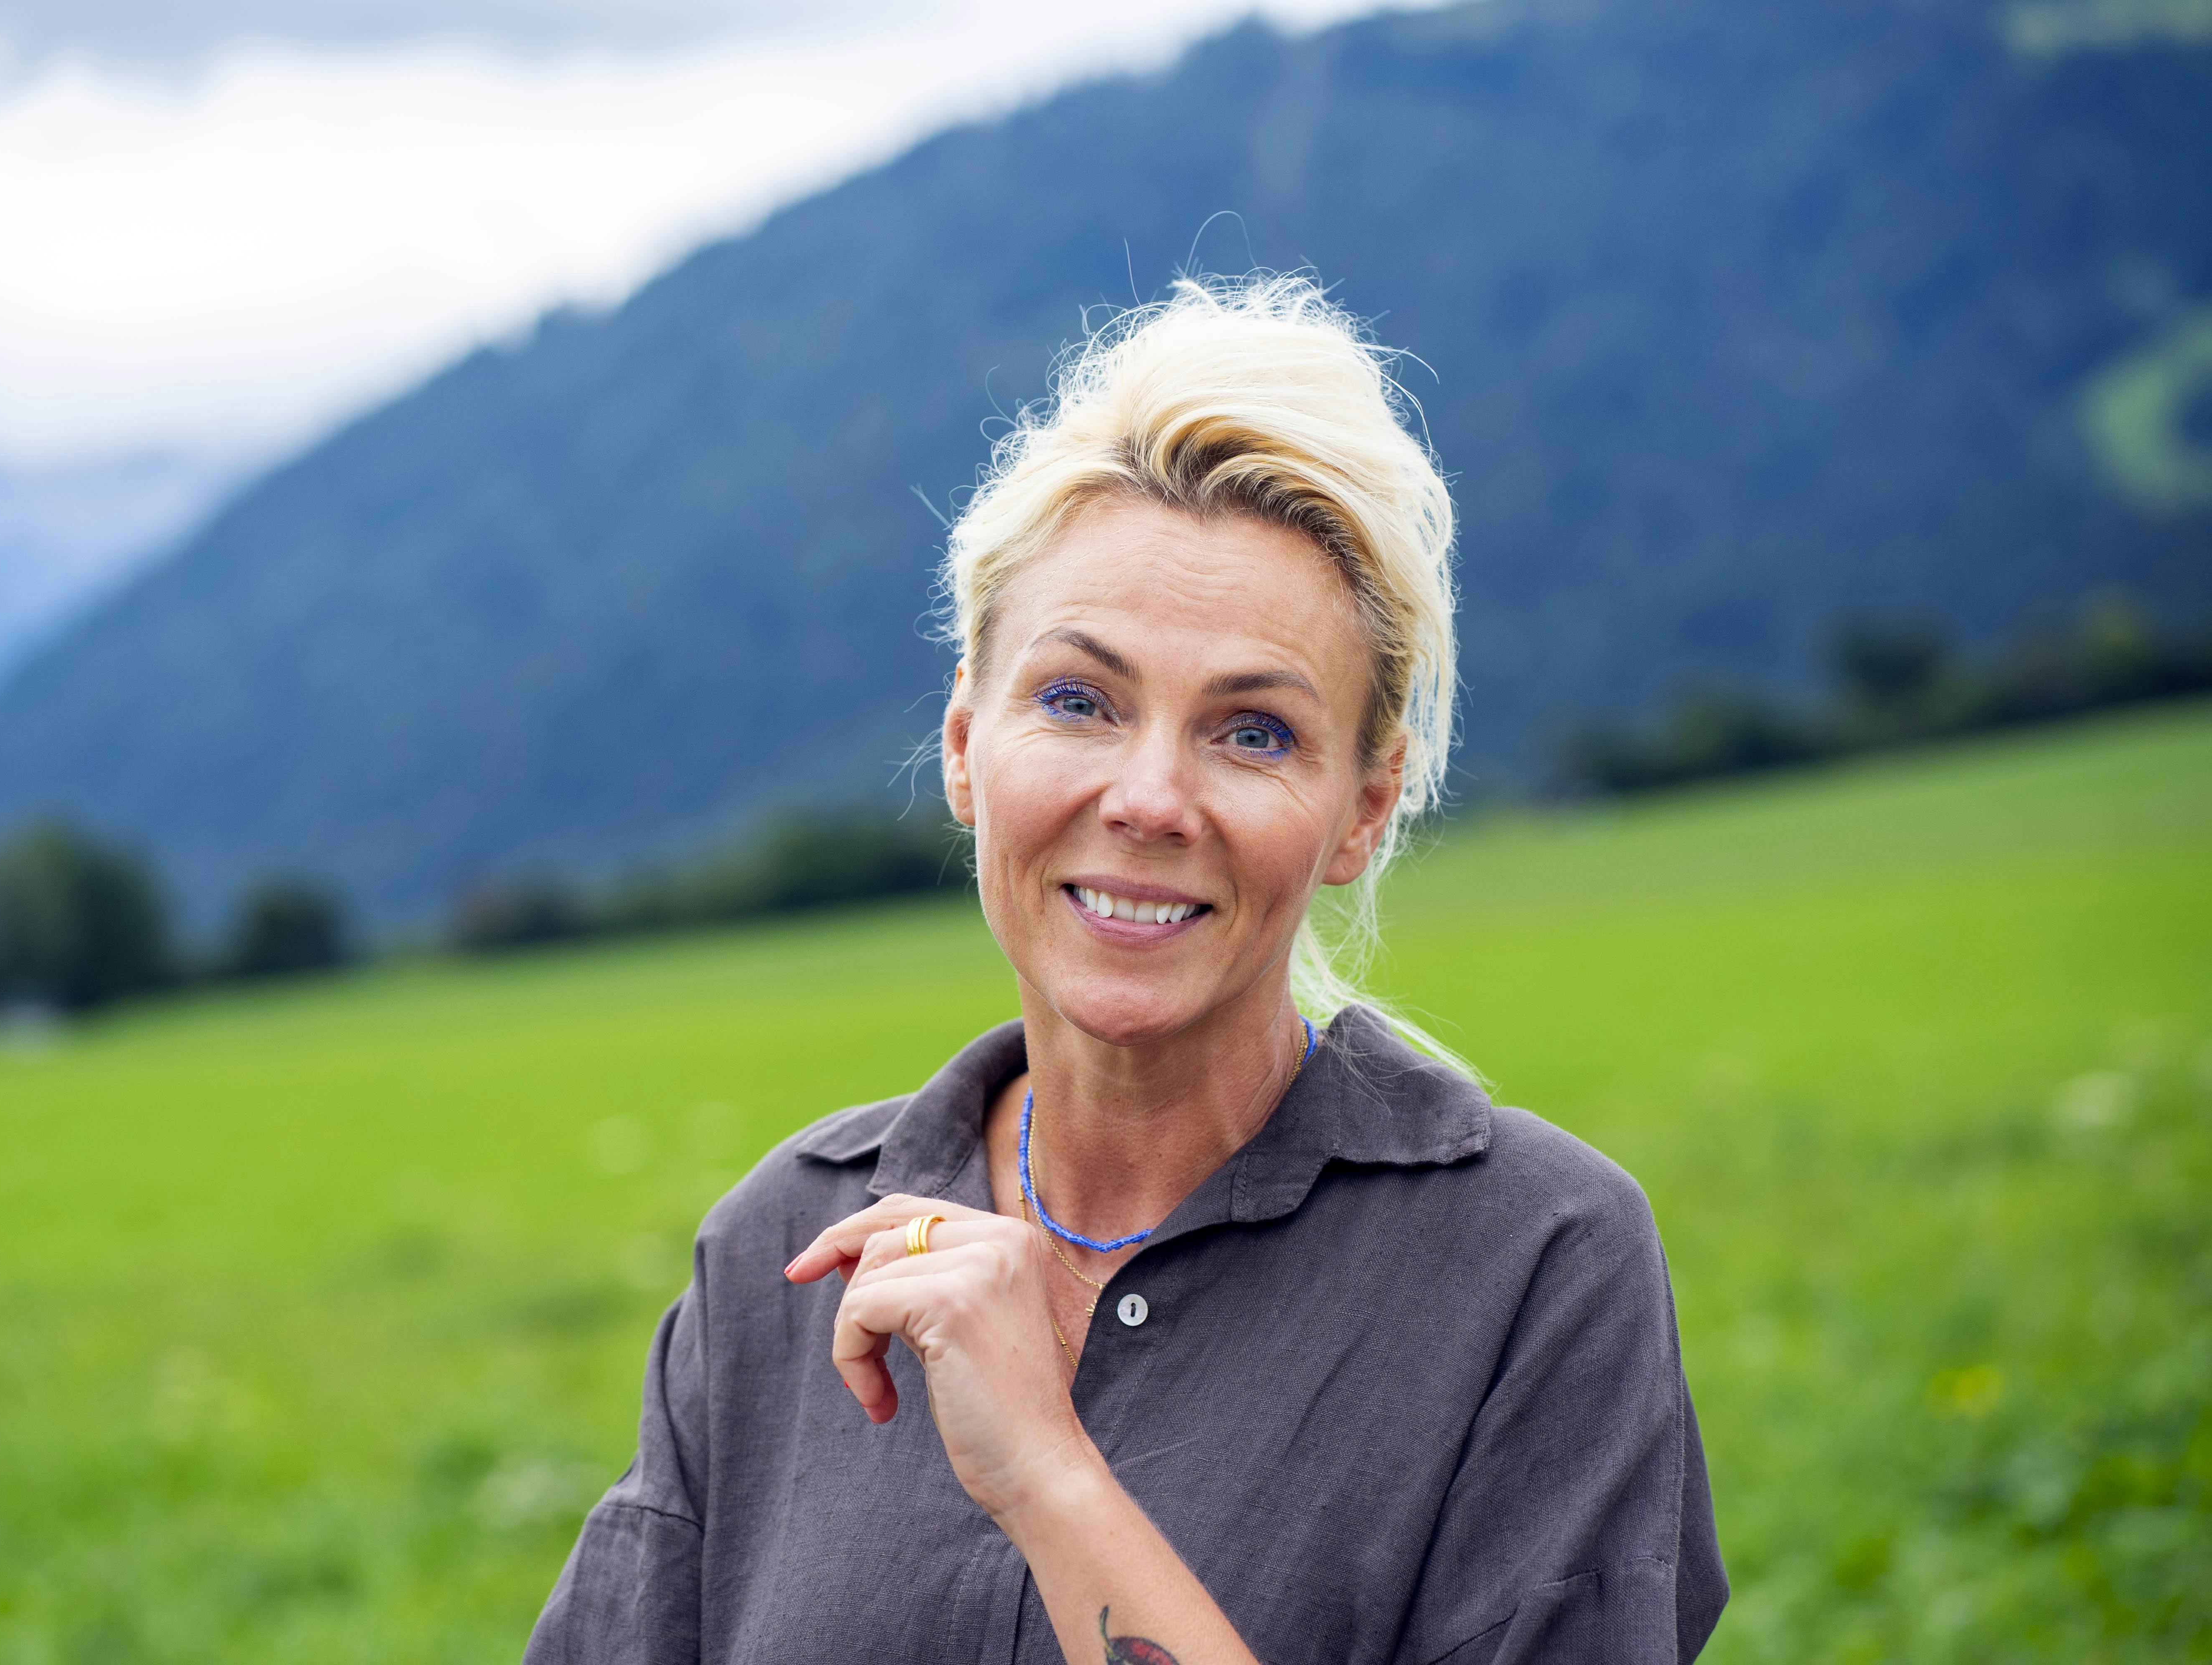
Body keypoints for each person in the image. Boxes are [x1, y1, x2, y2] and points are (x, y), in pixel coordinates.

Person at [522, 274, 1727, 1664]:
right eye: (1079, 702)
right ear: (969, 749)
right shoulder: (778, 1251)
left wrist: (1048, 1478)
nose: (1151, 798)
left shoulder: (1536, 1265)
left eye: (1256, 733)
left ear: (1365, 811)